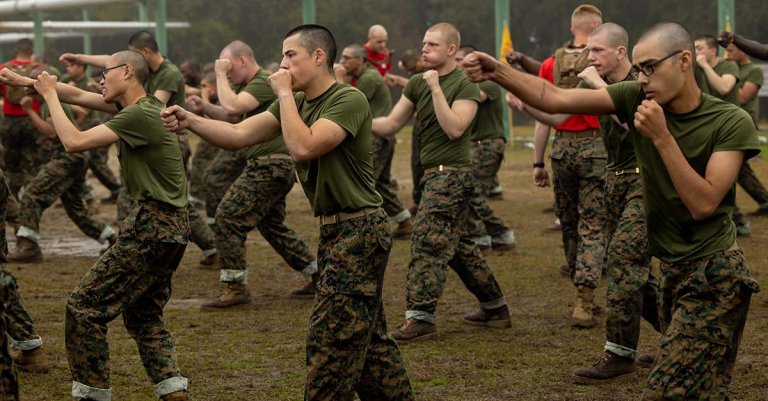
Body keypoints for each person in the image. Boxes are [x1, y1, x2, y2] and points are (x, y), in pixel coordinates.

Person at [463, 20, 760, 401]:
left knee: (666, 390)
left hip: (715, 278)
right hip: (671, 272)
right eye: (638, 68)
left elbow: (704, 204)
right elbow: (553, 97)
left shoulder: (729, 121)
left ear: (685, 60)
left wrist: (662, 137)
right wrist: (499, 72)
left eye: (650, 66)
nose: (642, 77)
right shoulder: (637, 96)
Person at [162, 24, 414, 401]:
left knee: (328, 346)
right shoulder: (296, 104)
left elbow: (304, 147)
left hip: (359, 232)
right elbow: (238, 135)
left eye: (290, 56)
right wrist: (191, 120)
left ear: (317, 57)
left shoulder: (347, 100)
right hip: (336, 233)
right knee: (372, 345)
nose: (281, 65)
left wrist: (282, 95)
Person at [2, 49, 192, 400]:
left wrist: (45, 95)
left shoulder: (137, 114)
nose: (100, 79)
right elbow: (72, 93)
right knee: (143, 316)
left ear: (128, 71)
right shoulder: (140, 107)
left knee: (84, 307)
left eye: (105, 72)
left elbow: (74, 142)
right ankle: (173, 391)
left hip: (152, 226)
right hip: (171, 228)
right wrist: (27, 81)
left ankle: (92, 394)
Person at [372, 23, 510, 342]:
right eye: (423, 43)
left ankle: (420, 317)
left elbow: (456, 128)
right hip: (432, 173)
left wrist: (435, 88)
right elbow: (391, 123)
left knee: (426, 239)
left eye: (432, 44)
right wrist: (353, 122)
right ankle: (495, 307)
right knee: (458, 246)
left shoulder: (465, 84)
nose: (424, 49)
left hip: (453, 173)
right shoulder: (418, 83)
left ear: (450, 50)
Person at [59, 31, 218, 267]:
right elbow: (106, 68)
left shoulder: (168, 74)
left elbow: (157, 108)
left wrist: (114, 94)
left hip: (170, 134)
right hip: (146, 130)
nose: (104, 77)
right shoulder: (143, 77)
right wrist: (80, 60)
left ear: (139, 57)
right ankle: (131, 246)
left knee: (165, 200)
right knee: (164, 199)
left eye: (107, 74)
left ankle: (132, 247)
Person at [189, 40, 318, 308]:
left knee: (228, 216)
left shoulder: (263, 81)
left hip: (269, 165)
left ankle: (235, 286)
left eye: (229, 66)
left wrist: (220, 75)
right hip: (270, 165)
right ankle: (318, 274)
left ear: (243, 61)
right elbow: (234, 119)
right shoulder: (250, 87)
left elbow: (233, 107)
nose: (226, 72)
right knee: (272, 227)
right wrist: (203, 109)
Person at [530, 4, 606, 328]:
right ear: (598, 26)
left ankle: (580, 287)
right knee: (594, 225)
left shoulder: (550, 63)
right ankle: (584, 301)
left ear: (573, 27)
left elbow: (542, 118)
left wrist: (537, 161)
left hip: (561, 149)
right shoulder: (603, 60)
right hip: (595, 148)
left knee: (570, 223)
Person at [6, 66, 117, 263]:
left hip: (69, 157)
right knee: (75, 209)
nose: (28, 86)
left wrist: (29, 112)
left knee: (32, 194)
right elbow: (80, 111)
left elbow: (50, 132)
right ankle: (112, 238)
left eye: (35, 80)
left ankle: (29, 246)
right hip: (74, 156)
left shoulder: (48, 101)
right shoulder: (45, 100)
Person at [340, 44, 413, 239]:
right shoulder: (365, 76)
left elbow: (347, 104)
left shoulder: (369, 79)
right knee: (380, 184)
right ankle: (405, 221)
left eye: (347, 58)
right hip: (380, 137)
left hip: (377, 138)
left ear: (360, 60)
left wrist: (340, 79)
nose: (342, 62)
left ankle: (365, 228)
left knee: (362, 182)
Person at [454, 45, 516, 251]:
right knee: (468, 190)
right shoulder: (465, 84)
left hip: (488, 144)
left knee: (472, 191)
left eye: (459, 60)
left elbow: (468, 98)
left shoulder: (487, 83)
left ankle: (498, 232)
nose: (456, 64)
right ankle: (485, 235)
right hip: (476, 145)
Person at [62, 61, 123, 203]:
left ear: (82, 68)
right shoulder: (66, 80)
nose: (68, 68)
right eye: (68, 66)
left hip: (90, 125)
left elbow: (86, 107)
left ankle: (115, 189)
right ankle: (85, 193)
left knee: (96, 162)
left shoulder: (88, 83)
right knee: (85, 163)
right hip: (78, 126)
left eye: (72, 66)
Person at [722, 42, 768, 218]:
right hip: (728, 119)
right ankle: (763, 200)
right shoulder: (730, 67)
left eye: (731, 50)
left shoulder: (753, 71)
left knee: (735, 167)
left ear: (743, 51)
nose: (727, 54)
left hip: (743, 120)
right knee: (739, 168)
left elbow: (742, 97)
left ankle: (739, 213)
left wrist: (726, 81)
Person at [0, 39, 49, 203]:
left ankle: (11, 201)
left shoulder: (3, 68)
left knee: (11, 164)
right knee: (32, 163)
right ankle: (30, 201)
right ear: (32, 50)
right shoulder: (38, 70)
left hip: (9, 121)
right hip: (32, 119)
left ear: (16, 49)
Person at [385, 49, 427, 215]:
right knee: (416, 163)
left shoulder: (431, 72)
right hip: (419, 126)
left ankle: (425, 200)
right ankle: (418, 200)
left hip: (430, 125)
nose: (411, 71)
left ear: (419, 60)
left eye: (412, 67)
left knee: (425, 164)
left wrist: (400, 80)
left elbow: (420, 84)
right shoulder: (414, 76)